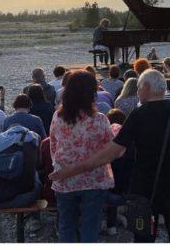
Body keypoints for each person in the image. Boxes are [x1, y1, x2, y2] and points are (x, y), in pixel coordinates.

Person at [50, 69, 170, 243]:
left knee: (143, 238)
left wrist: (69, 171)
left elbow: (110, 153)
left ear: (146, 87)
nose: (137, 92)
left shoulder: (138, 115)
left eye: (138, 88)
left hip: (146, 188)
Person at [49, 70, 114, 242]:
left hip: (64, 179)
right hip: (94, 179)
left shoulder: (58, 116)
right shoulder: (99, 119)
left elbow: (53, 145)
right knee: (90, 225)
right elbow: (110, 148)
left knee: (66, 224)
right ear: (92, 93)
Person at [0, 125, 41, 240]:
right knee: (36, 175)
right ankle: (34, 220)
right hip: (27, 197)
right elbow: (39, 164)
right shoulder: (32, 138)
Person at [104, 109, 134, 237]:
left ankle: (109, 225)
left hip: (109, 195)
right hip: (131, 193)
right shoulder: (133, 142)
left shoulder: (105, 143)